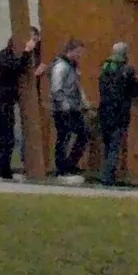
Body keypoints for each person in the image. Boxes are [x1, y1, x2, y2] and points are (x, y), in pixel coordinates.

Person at [95, 40, 138, 187]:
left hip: (104, 110)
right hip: (119, 112)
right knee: (115, 145)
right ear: (125, 55)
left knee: (107, 144)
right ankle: (108, 177)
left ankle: (105, 173)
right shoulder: (128, 71)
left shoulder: (104, 69)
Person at [0, 29, 40, 181]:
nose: (33, 44)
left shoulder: (5, 57)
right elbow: (16, 66)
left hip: (3, 101)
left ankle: (3, 170)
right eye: (32, 40)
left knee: (6, 137)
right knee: (3, 137)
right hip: (0, 102)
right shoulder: (4, 58)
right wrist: (27, 51)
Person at [48, 38, 90, 180]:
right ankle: (61, 168)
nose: (79, 55)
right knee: (64, 137)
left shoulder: (73, 66)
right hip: (63, 109)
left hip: (74, 107)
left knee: (83, 134)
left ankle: (70, 163)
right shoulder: (61, 66)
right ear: (69, 51)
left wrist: (84, 103)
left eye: (81, 53)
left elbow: (78, 86)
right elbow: (56, 88)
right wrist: (64, 105)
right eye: (77, 52)